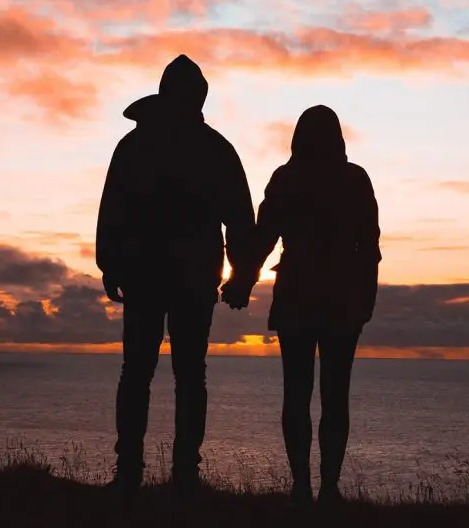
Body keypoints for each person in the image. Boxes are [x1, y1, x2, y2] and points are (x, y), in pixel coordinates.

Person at [96, 55, 256, 495]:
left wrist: (110, 261)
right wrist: (240, 275)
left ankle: (139, 472)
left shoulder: (136, 146)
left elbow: (112, 208)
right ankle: (176, 472)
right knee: (182, 375)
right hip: (184, 275)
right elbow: (239, 219)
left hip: (155, 274)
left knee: (142, 373)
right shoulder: (212, 148)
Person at [222, 105, 381, 504]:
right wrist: (366, 300)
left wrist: (241, 282)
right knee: (334, 395)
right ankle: (326, 488)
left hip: (298, 297)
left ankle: (302, 487)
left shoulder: (286, 178)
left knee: (297, 393)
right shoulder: (355, 179)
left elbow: (263, 239)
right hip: (342, 301)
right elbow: (370, 250)